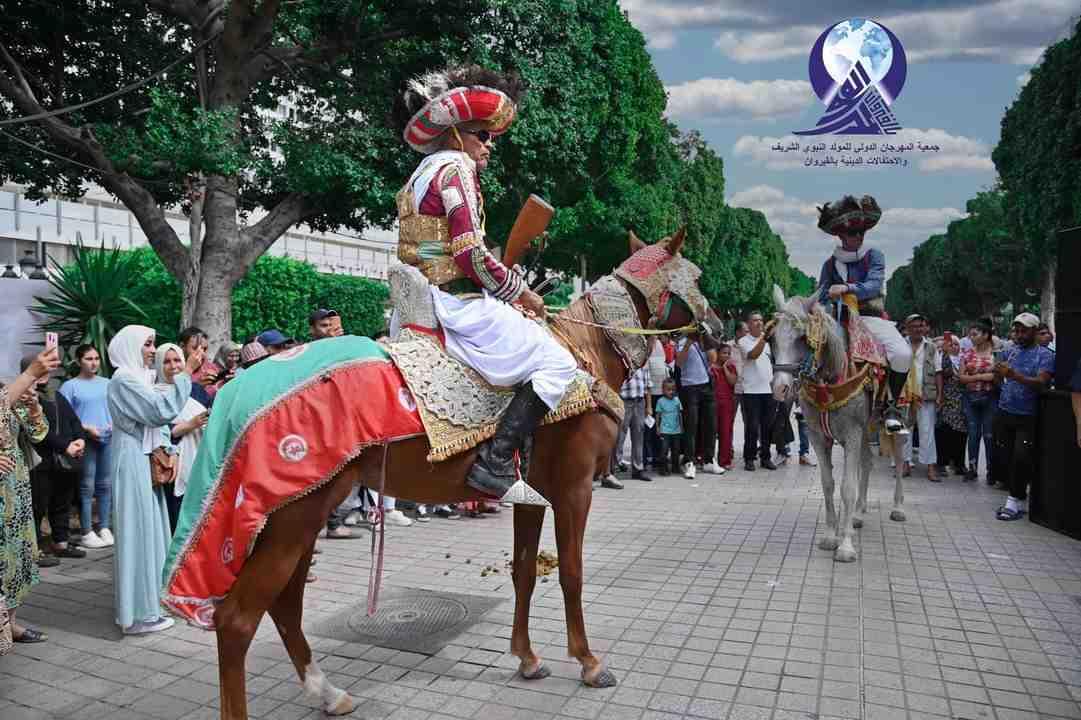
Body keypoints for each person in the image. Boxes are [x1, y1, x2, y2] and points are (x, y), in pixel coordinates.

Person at [394, 65, 577, 506]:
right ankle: (494, 463)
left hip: (421, 296)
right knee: (558, 364)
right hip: (457, 302)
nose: (489, 145)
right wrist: (521, 292)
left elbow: (437, 250)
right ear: (457, 133)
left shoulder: (419, 174)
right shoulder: (456, 168)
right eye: (483, 135)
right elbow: (469, 254)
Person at [107, 325, 196, 634]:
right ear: (130, 346)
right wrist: (187, 375)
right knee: (138, 533)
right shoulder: (124, 379)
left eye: (152, 344)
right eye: (147, 344)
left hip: (140, 459)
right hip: (131, 460)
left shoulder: (133, 377)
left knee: (151, 533)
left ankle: (146, 605)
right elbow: (159, 411)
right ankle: (137, 615)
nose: (150, 350)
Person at [815, 195, 912, 432]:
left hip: (871, 318)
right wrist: (821, 299)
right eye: (852, 233)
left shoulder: (874, 255)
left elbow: (874, 286)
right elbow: (820, 294)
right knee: (812, 346)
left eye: (861, 232)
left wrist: (847, 288)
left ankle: (891, 408)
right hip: (839, 319)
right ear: (840, 235)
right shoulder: (829, 264)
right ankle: (810, 396)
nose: (858, 237)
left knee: (902, 353)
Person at [1, 346, 60, 643]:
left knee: (18, 557)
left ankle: (11, 624)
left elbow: (38, 434)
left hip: (17, 489)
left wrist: (35, 408)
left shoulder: (8, 391)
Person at [22, 355, 87, 565]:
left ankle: (60, 542)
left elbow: (74, 420)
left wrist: (79, 440)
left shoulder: (56, 395)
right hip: (40, 463)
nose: (46, 373)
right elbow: (40, 432)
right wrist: (65, 446)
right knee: (37, 506)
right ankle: (33, 551)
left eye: (48, 369)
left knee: (62, 502)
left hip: (63, 462)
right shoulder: (25, 396)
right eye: (41, 369)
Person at [992, 313, 1054, 521]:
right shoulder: (1011, 351)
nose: (1019, 334)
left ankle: (1014, 501)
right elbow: (999, 377)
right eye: (1016, 330)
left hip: (1027, 415)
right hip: (1005, 410)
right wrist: (999, 374)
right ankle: (1017, 496)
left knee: (1021, 457)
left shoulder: (1044, 355)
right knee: (1006, 457)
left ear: (1035, 331)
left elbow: (1041, 382)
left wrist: (1014, 376)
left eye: (1024, 330)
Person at [59, 345, 115, 549]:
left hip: (107, 438)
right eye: (89, 359)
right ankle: (86, 530)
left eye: (97, 358)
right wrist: (86, 429)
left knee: (106, 484)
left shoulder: (108, 384)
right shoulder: (70, 387)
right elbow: (64, 416)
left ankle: (105, 527)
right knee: (86, 486)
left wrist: (112, 424)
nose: (94, 363)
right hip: (85, 440)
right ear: (79, 361)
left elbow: (116, 407)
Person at [155, 344, 209, 534]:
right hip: (172, 462)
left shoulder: (196, 390)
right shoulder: (154, 393)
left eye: (177, 360)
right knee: (176, 511)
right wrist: (190, 424)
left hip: (200, 455)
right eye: (167, 361)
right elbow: (158, 430)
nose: (173, 366)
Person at [901, 314, 943, 481]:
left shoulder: (931, 347)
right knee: (904, 431)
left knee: (927, 431)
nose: (918, 329)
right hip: (904, 395)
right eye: (914, 326)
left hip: (926, 394)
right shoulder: (899, 345)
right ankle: (904, 464)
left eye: (921, 325)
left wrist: (940, 395)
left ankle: (930, 467)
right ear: (907, 328)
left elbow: (938, 372)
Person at [675, 333, 722, 478]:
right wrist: (689, 342)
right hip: (689, 387)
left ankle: (709, 459)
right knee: (691, 426)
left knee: (711, 425)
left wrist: (705, 339)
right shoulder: (681, 341)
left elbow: (713, 359)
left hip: (706, 386)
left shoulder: (704, 340)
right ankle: (689, 461)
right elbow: (679, 363)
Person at [738, 312, 776, 472]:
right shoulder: (743, 341)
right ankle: (749, 458)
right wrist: (764, 338)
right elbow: (753, 355)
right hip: (751, 391)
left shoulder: (768, 343)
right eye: (755, 320)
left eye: (761, 320)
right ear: (749, 324)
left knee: (767, 427)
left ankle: (766, 457)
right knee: (752, 427)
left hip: (768, 389)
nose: (759, 323)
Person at [959, 319, 996, 483]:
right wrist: (983, 376)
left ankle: (991, 470)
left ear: (986, 335)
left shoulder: (996, 353)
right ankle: (972, 468)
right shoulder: (967, 353)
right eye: (970, 334)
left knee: (989, 434)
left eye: (975, 334)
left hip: (991, 397)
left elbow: (997, 376)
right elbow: (961, 377)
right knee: (973, 434)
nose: (971, 337)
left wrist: (974, 376)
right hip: (970, 398)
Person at [935, 333, 968, 477]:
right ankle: (941, 463)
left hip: (961, 400)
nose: (953, 346)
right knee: (944, 431)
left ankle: (959, 463)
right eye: (950, 344)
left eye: (956, 344)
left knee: (960, 433)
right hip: (946, 399)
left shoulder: (964, 359)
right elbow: (943, 372)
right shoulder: (941, 358)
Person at [615, 364, 653, 482]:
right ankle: (613, 468)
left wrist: (649, 406)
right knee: (619, 436)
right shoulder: (623, 360)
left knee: (638, 436)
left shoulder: (644, 363)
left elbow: (647, 386)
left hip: (639, 402)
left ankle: (638, 469)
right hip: (624, 401)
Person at [709, 346, 738, 470]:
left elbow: (732, 382)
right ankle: (707, 458)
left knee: (726, 431)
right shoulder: (710, 368)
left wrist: (725, 368)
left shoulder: (731, 367)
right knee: (710, 431)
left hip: (727, 403)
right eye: (724, 353)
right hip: (713, 402)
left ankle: (724, 460)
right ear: (717, 353)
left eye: (728, 353)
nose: (726, 355)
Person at [644, 338, 670, 469]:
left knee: (660, 428)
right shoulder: (645, 343)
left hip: (662, 394)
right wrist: (648, 404)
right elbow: (646, 377)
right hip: (651, 395)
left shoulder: (659, 344)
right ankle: (648, 457)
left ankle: (659, 456)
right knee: (649, 428)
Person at [179, 327, 218, 405]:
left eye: (204, 349)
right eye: (195, 348)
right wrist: (197, 386)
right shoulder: (175, 369)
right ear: (182, 346)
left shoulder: (212, 368)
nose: (202, 353)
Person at [654, 379, 683, 476]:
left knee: (676, 450)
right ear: (663, 390)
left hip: (676, 430)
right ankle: (663, 468)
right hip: (665, 430)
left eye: (673, 389)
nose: (671, 392)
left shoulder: (677, 400)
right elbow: (658, 415)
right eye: (668, 389)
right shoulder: (660, 401)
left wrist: (681, 427)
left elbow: (680, 414)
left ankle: (675, 467)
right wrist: (657, 427)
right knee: (664, 450)